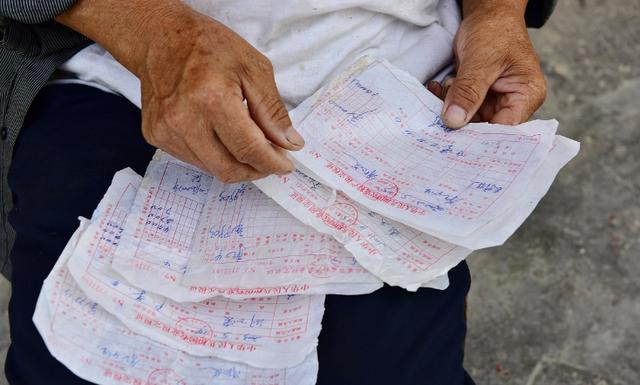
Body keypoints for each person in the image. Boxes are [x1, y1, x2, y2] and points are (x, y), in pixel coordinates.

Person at [0, 0, 555, 384]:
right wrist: (154, 33)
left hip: (393, 83)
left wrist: (497, 13)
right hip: (119, 68)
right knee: (92, 356)